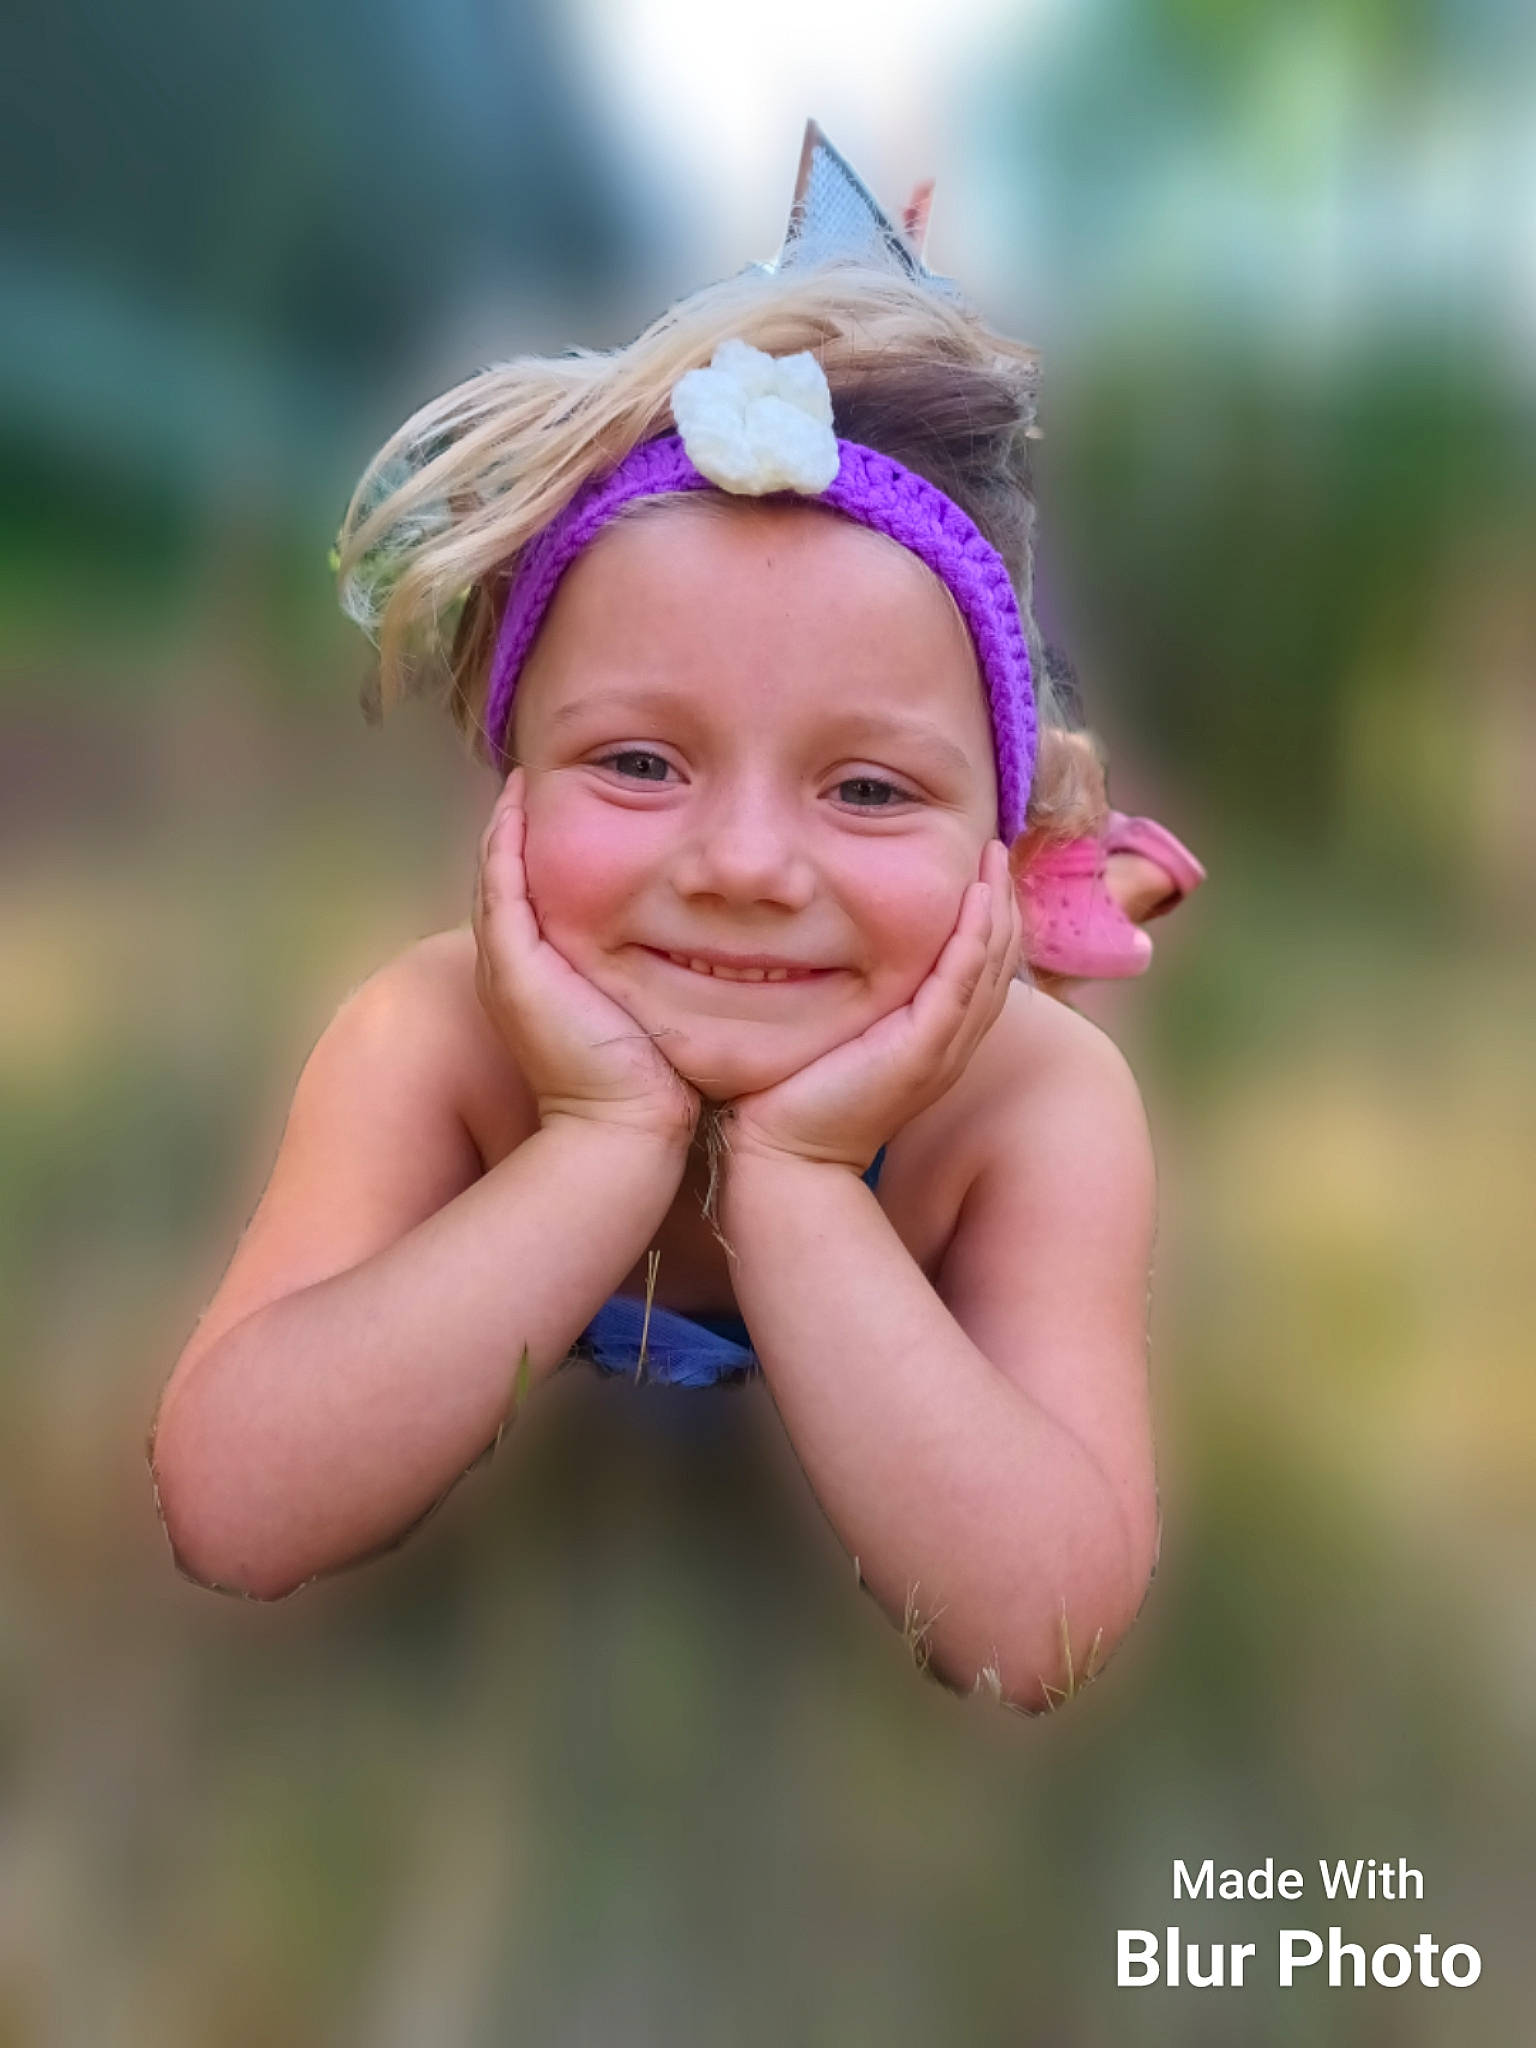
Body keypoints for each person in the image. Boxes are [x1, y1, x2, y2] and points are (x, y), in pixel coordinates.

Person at [147, 144, 1164, 1715]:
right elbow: (232, 1506)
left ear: (992, 829)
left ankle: (1103, 876)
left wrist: (811, 1181)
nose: (746, 864)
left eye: (872, 789)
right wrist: (601, 1138)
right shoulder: (434, 1046)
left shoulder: (1031, 1109)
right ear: (512, 781)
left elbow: (1039, 1627)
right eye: (638, 762)